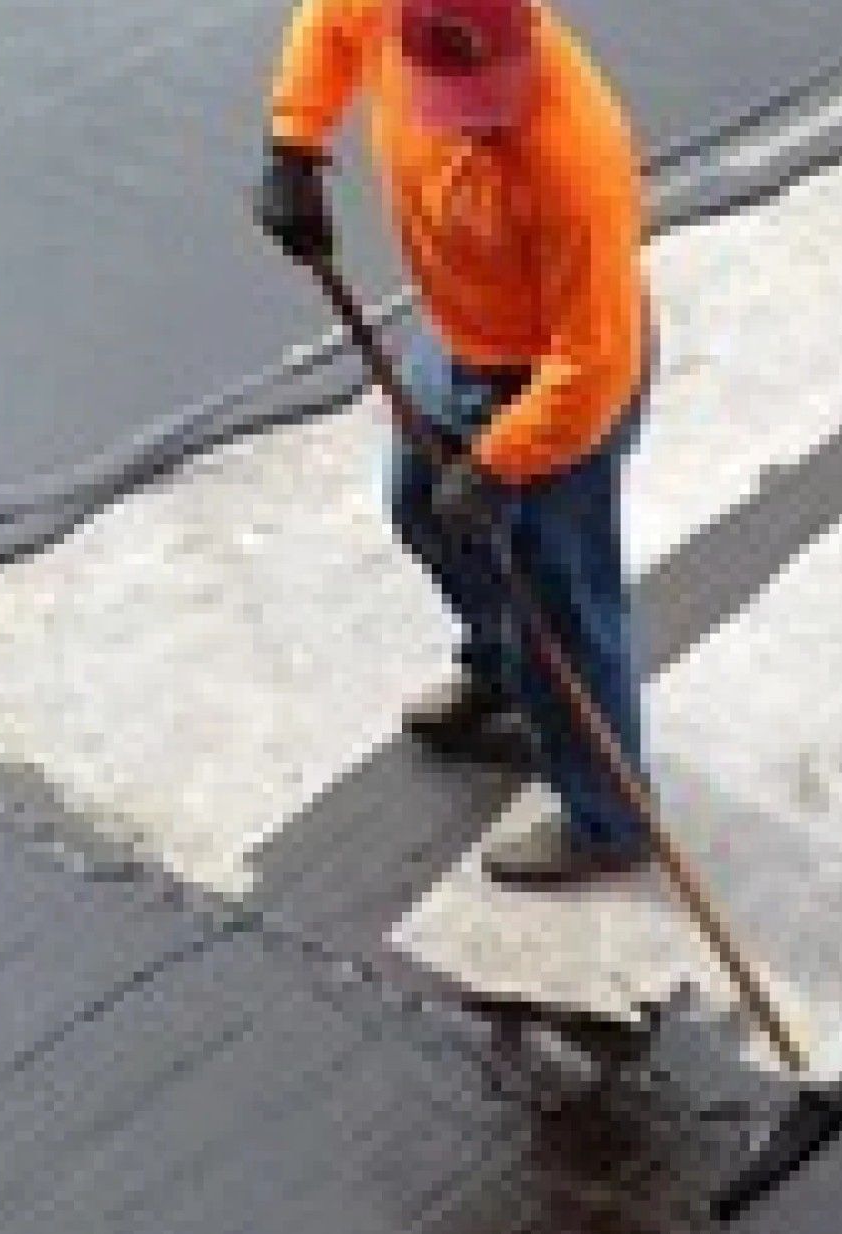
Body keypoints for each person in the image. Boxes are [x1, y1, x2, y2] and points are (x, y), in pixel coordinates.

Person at [254, 0, 655, 886]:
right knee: (422, 513)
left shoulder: (574, 161)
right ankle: (504, 673)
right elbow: (325, 24)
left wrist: (496, 460)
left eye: (490, 96)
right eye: (454, 94)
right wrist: (295, 146)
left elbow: (594, 364)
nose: (474, 120)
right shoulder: (392, 11)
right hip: (458, 336)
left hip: (555, 383)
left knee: (564, 601)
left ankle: (609, 817)